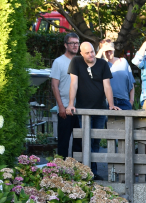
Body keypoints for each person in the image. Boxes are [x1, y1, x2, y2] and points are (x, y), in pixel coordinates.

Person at [66, 42, 121, 179]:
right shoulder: (76, 62)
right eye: (87, 53)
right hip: (84, 109)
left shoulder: (102, 64)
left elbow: (107, 86)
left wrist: (111, 105)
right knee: (86, 140)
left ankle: (93, 172)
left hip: (100, 109)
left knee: (95, 141)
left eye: (92, 51)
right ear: (81, 54)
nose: (91, 55)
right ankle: (87, 172)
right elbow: (74, 84)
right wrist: (71, 104)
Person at [50, 32, 80, 157]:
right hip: (65, 109)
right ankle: (61, 172)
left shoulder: (81, 61)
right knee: (64, 142)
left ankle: (78, 172)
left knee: (79, 144)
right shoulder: (58, 62)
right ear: (65, 45)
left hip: (80, 109)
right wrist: (60, 106)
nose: (75, 46)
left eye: (77, 43)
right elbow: (54, 86)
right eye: (72, 43)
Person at [97, 39, 135, 110]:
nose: (108, 53)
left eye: (110, 50)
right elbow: (94, 66)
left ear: (114, 49)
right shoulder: (101, 64)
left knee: (126, 121)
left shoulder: (123, 62)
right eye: (106, 51)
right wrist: (102, 50)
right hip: (107, 102)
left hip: (124, 101)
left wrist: (131, 101)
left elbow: (131, 83)